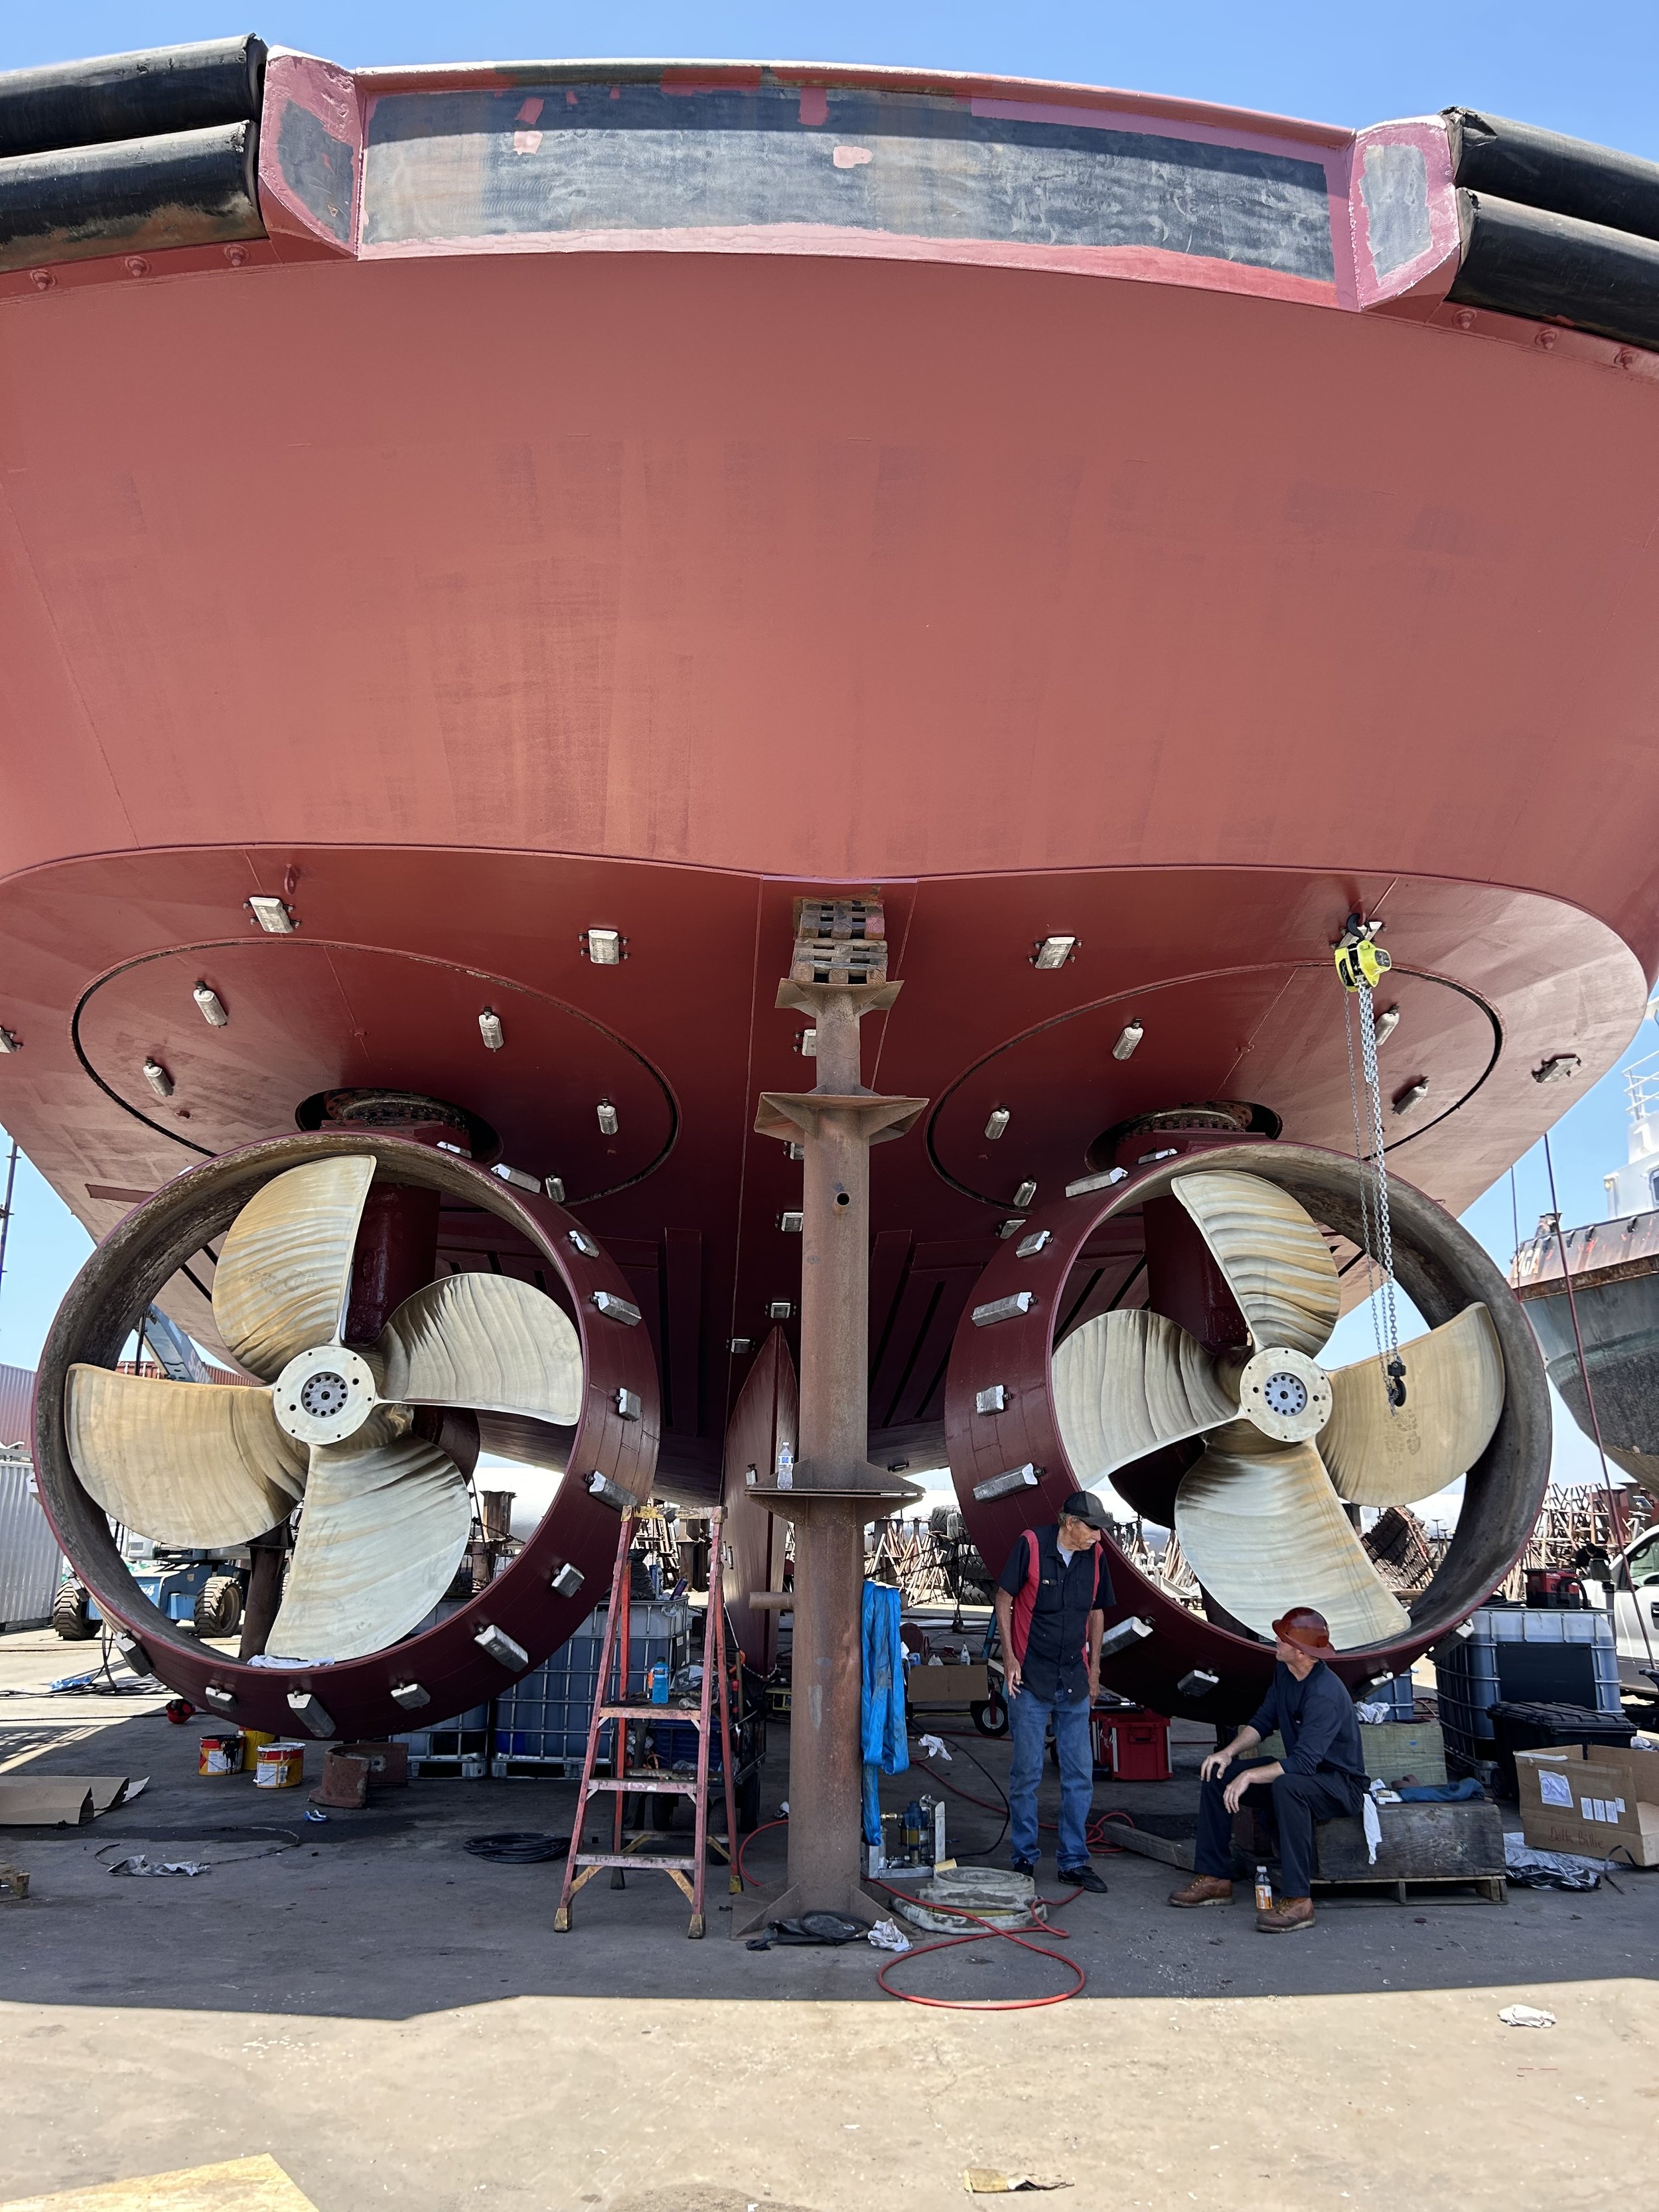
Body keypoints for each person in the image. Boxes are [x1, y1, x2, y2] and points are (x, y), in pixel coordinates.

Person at [1167, 1605, 1368, 1932]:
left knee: (1287, 1786)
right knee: (1218, 1774)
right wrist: (1229, 1754)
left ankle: (1299, 1900)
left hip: (1340, 1785)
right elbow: (1263, 1721)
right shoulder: (1285, 1674)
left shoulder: (1325, 1694)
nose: (1276, 1641)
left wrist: (1250, 1776)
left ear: (1300, 1651)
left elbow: (1302, 1764)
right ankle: (1215, 1877)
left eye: (1282, 1638)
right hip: (1305, 1774)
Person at [993, 1490, 1112, 1893]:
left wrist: (1095, 1669)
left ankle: (1074, 1860)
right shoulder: (1031, 1544)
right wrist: (1009, 1659)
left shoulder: (1095, 1557)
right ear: (1069, 1523)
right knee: (1026, 1774)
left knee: (1079, 1773)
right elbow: (1004, 1599)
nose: (1099, 1537)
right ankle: (1024, 1857)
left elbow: (1097, 1611)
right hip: (1031, 1679)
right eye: (1093, 1529)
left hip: (1074, 1679)